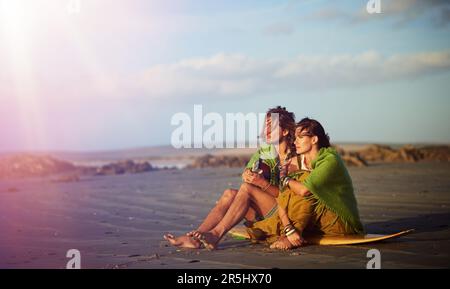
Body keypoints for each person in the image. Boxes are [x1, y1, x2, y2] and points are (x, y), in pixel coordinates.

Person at [163, 106, 297, 249]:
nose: (266, 131)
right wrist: (247, 174)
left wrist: (262, 183)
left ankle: (215, 234)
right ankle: (195, 238)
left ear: (285, 131)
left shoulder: (294, 158)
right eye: (266, 126)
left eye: (272, 126)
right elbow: (247, 174)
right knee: (229, 194)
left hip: (284, 214)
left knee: (247, 189)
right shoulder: (266, 151)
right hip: (264, 209)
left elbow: (290, 197)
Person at [246, 117, 365, 250]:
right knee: (293, 187)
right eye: (295, 137)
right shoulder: (296, 162)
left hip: (340, 223)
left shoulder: (330, 159)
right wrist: (288, 227)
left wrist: (285, 178)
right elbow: (283, 196)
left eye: (300, 137)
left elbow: (304, 191)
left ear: (314, 139)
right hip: (317, 222)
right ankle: (282, 230)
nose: (295, 142)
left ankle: (280, 233)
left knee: (303, 181)